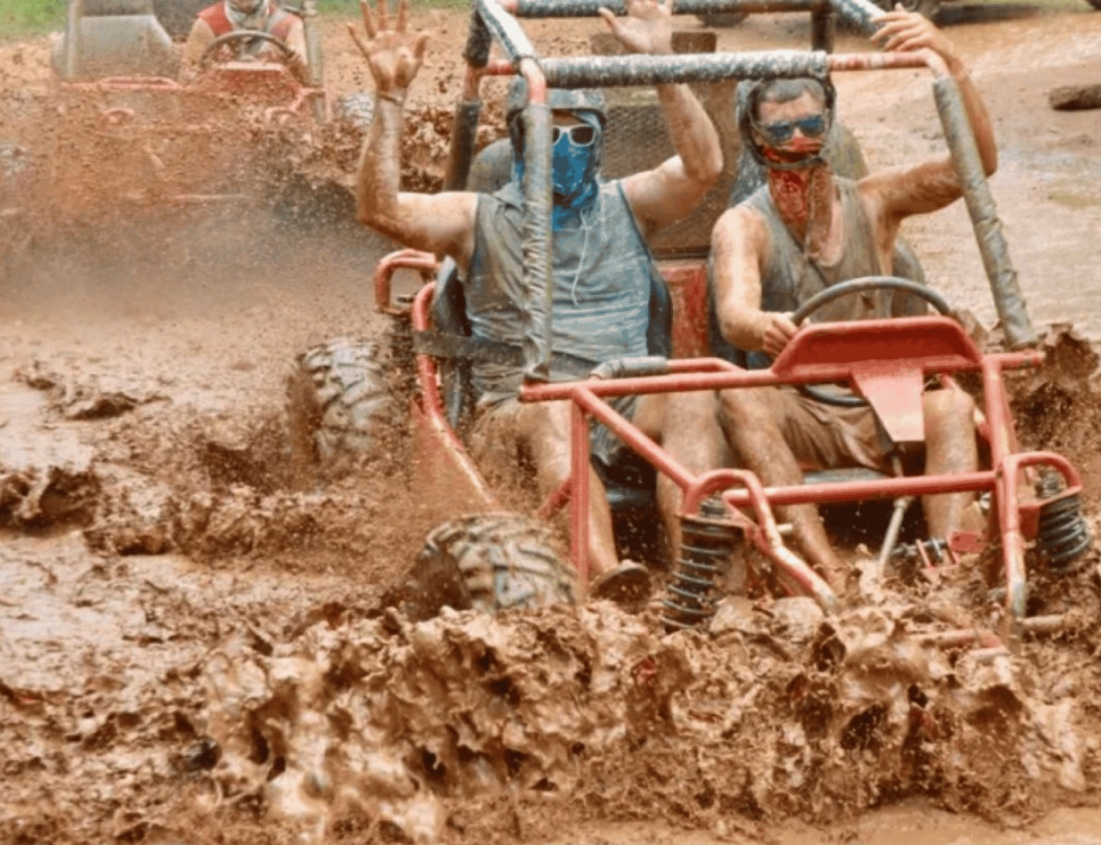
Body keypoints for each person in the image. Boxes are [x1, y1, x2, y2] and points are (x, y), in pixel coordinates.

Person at [349, 0, 723, 599]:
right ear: (523, 137)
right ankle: (607, 580)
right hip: (520, 410)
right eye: (551, 132)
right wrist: (390, 99)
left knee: (692, 394)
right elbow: (380, 210)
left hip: (624, 399)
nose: (566, 147)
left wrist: (661, 64)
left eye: (581, 133)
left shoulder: (629, 204)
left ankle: (699, 578)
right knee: (558, 410)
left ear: (600, 142)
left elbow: (704, 168)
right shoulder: (476, 217)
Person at [706, 8, 991, 592]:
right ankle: (819, 567)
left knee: (953, 406)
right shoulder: (743, 225)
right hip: (801, 409)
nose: (799, 140)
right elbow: (734, 314)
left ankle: (954, 571)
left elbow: (977, 166)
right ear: (755, 136)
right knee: (739, 395)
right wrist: (763, 325)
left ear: (829, 123)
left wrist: (953, 64)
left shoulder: (874, 201)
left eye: (811, 124)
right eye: (781, 130)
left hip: (883, 400)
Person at [184, 0, 308, 81]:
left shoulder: (288, 25)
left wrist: (297, 60)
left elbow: (306, 75)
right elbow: (188, 76)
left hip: (277, 103)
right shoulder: (208, 23)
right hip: (218, 103)